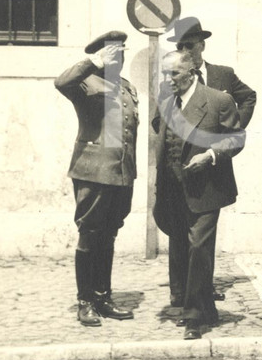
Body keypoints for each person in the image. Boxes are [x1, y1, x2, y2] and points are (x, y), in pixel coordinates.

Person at [152, 50, 245, 340]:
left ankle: (194, 318)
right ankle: (197, 305)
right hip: (172, 187)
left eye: (174, 74)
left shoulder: (218, 100)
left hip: (206, 187)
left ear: (190, 72)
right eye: (165, 74)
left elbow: (236, 138)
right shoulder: (167, 101)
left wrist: (211, 155)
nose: (168, 79)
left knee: (198, 247)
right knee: (179, 245)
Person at [167, 16, 257, 300]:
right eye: (181, 45)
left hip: (212, 166)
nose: (186, 51)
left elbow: (249, 97)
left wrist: (230, 129)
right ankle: (180, 292)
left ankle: (201, 290)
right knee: (179, 235)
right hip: (182, 164)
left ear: (202, 45)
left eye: (190, 45)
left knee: (203, 237)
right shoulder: (172, 78)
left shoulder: (222, 75)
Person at [55, 31, 139, 327]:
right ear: (101, 55)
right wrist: (92, 62)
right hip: (93, 172)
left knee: (110, 233)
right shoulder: (85, 82)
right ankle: (85, 301)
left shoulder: (127, 87)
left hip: (121, 172)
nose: (120, 57)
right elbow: (60, 81)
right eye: (113, 53)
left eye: (122, 52)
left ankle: (103, 296)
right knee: (90, 234)